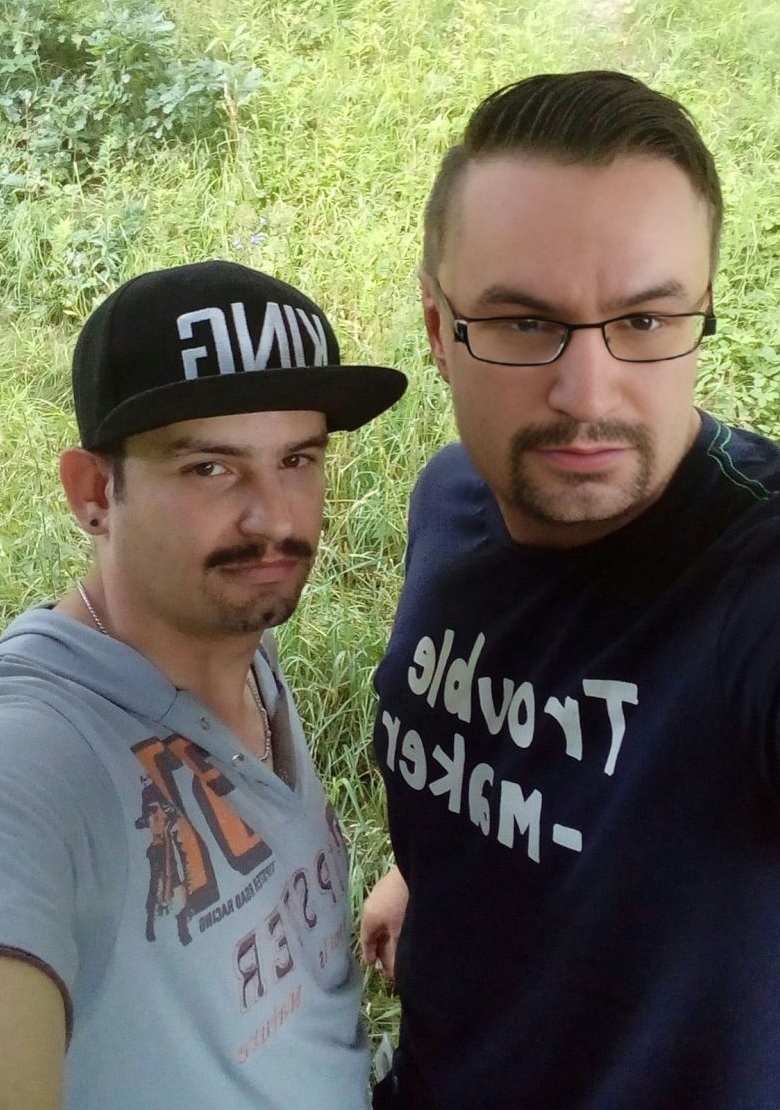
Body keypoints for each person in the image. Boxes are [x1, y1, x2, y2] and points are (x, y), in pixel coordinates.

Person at [361, 70, 780, 1110]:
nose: (586, 394)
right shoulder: (454, 497)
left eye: (644, 319)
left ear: (701, 311)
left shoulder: (750, 578)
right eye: (520, 322)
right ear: (438, 330)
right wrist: (432, 867)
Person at [0, 259, 406, 1110]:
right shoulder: (38, 754)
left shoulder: (232, 637)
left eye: (298, 458)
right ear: (93, 493)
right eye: (210, 469)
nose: (275, 518)